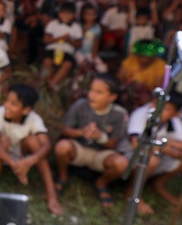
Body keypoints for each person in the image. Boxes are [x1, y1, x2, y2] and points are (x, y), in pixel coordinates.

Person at [53, 74, 130, 208]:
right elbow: (64, 130)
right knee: (62, 147)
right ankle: (62, 177)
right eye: (91, 90)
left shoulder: (120, 114)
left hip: (102, 153)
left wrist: (100, 137)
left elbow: (114, 143)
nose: (92, 95)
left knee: (121, 164)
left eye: (99, 92)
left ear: (112, 97)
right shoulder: (80, 105)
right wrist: (81, 132)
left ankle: (101, 183)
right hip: (80, 148)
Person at [0, 85, 62, 215]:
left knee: (33, 141)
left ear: (26, 110)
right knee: (3, 139)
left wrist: (30, 160)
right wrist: (13, 163)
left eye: (13, 104)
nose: (7, 105)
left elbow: (46, 145)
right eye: (7, 101)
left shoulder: (34, 118)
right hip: (2, 154)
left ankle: (51, 195)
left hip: (22, 155)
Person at [122, 93, 182, 211]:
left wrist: (165, 145)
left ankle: (158, 185)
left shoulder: (174, 122)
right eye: (156, 104)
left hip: (154, 154)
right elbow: (136, 144)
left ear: (175, 114)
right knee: (151, 160)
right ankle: (132, 193)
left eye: (165, 108)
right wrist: (164, 147)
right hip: (128, 156)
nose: (157, 109)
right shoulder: (142, 114)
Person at [41, 1, 82, 89]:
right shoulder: (53, 24)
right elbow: (46, 39)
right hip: (52, 49)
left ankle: (52, 84)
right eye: (64, 13)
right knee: (47, 62)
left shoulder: (76, 27)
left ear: (73, 15)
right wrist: (60, 38)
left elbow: (79, 44)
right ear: (59, 13)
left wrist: (69, 41)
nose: (66, 16)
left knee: (67, 64)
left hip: (67, 51)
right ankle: (45, 83)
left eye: (69, 14)